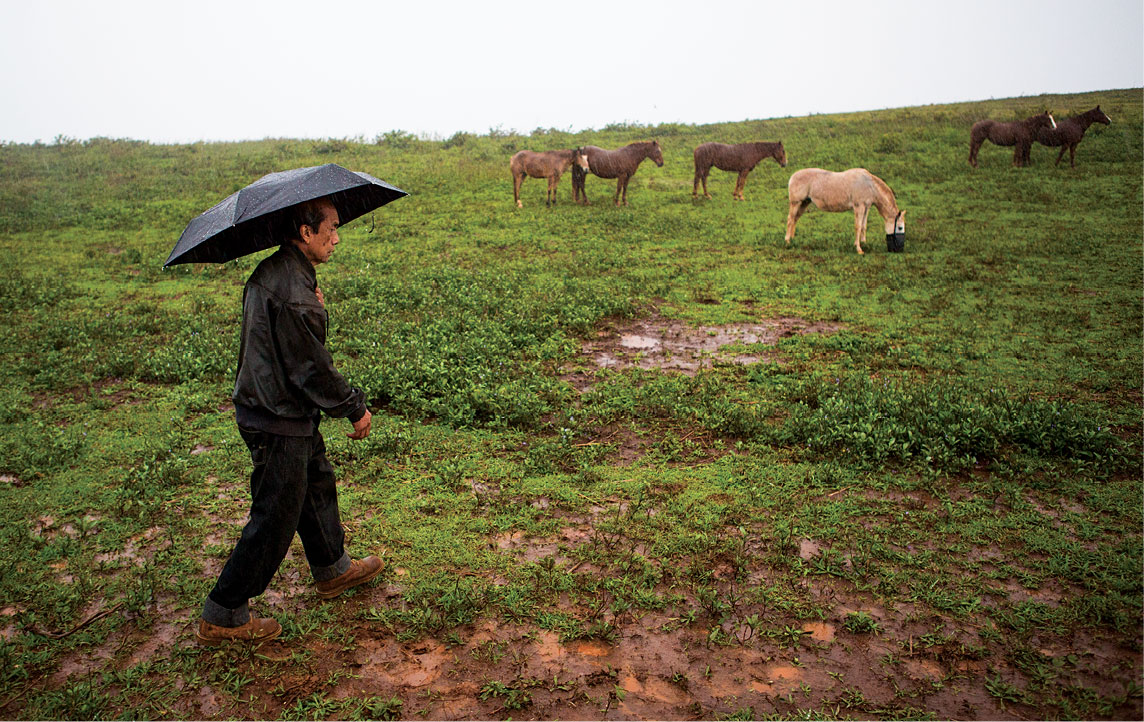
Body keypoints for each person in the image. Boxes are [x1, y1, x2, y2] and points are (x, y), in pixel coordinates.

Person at [197, 197, 382, 645]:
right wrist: (354, 407)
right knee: (275, 514)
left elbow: (291, 344)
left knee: (314, 482)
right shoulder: (296, 292)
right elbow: (311, 368)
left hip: (277, 406)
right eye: (331, 228)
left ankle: (332, 569)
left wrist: (313, 304)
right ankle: (223, 612)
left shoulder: (275, 273)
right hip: (277, 414)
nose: (337, 238)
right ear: (305, 232)